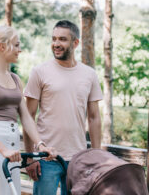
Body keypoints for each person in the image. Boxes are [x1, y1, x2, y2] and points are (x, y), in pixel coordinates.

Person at [0, 25, 56, 195]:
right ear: (2, 47)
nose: (20, 50)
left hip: (12, 145)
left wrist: (40, 144)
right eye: (16, 45)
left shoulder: (16, 79)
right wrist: (3, 150)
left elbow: (25, 117)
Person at [23, 20, 103, 195]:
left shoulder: (89, 74)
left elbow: (95, 117)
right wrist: (30, 156)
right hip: (46, 158)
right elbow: (28, 115)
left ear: (75, 43)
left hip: (78, 160)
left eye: (62, 39)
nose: (56, 44)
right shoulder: (39, 71)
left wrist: (96, 156)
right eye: (54, 39)